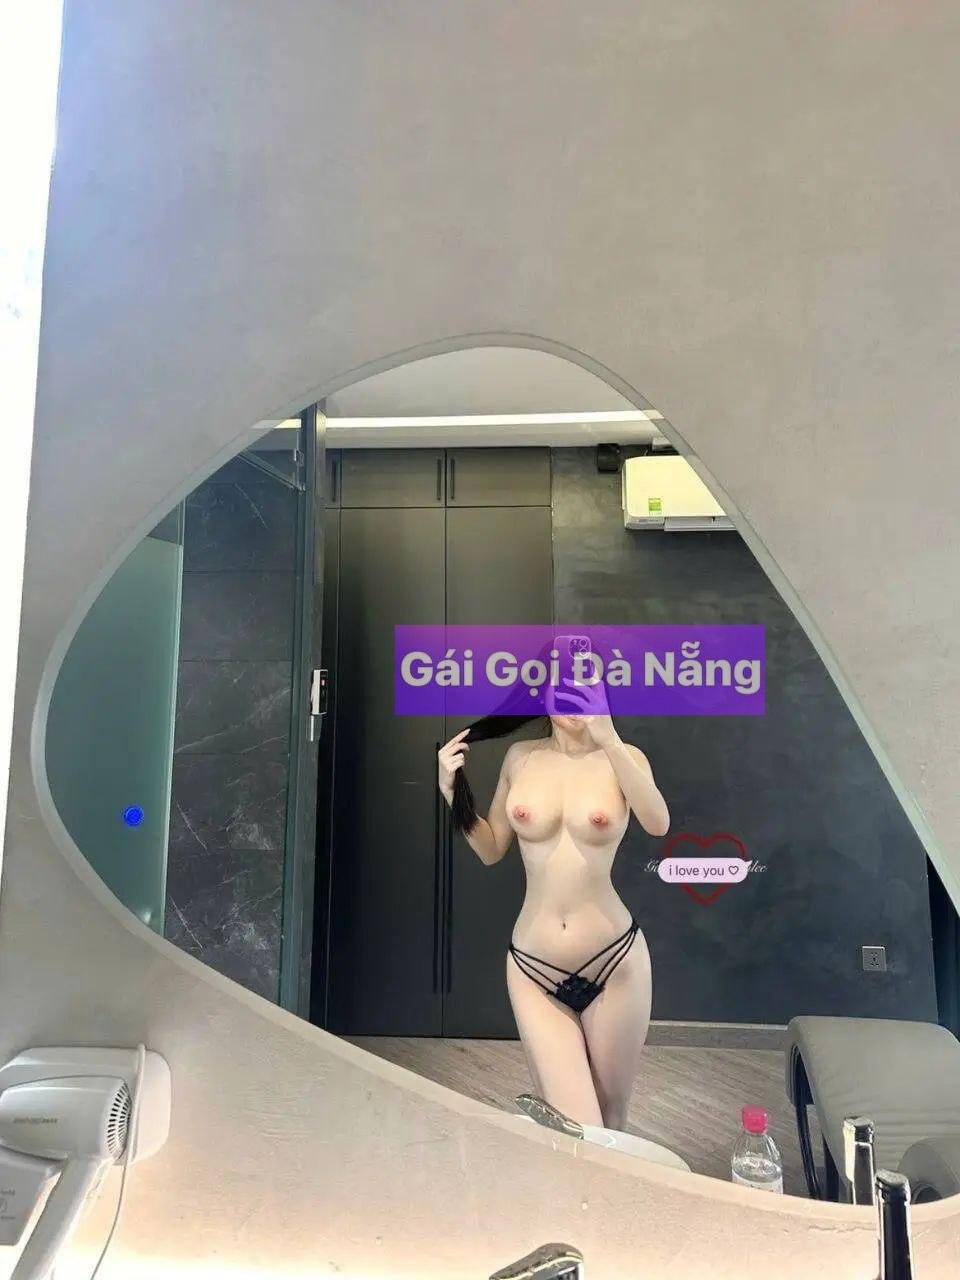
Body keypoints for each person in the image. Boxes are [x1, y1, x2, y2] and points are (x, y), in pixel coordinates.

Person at [437, 688, 669, 1130]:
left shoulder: (623, 757)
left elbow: (658, 824)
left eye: (586, 685)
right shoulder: (520, 758)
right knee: (580, 1129)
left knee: (612, 1122)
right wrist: (452, 793)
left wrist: (610, 739)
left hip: (615, 961)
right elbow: (491, 849)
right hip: (534, 966)